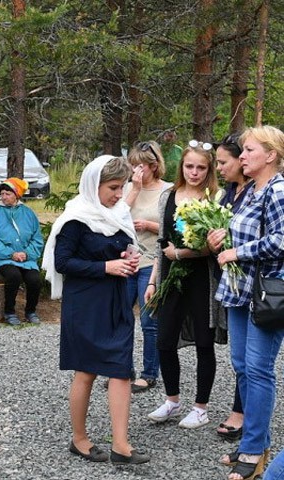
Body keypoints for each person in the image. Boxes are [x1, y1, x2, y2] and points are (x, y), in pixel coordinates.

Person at [42, 155, 148, 465]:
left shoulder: (116, 213)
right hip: (85, 303)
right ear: (94, 185)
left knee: (120, 370)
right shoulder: (76, 218)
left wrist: (128, 258)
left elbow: (125, 245)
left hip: (116, 299)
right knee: (86, 371)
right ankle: (79, 439)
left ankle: (121, 444)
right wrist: (106, 266)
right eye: (113, 188)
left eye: (122, 187)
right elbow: (63, 263)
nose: (118, 194)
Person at [213, 126, 284, 480]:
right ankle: (257, 444)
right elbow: (245, 231)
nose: (241, 156)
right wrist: (222, 237)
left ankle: (254, 450)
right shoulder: (251, 191)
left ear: (271, 155)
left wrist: (238, 250)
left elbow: (282, 240)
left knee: (258, 369)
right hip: (240, 289)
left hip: (266, 293)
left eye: (249, 150)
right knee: (242, 366)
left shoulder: (279, 189)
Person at [144, 140, 226, 430]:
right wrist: (154, 280)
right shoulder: (169, 195)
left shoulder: (215, 197)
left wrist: (183, 253)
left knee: (204, 341)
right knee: (164, 339)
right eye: (189, 166)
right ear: (182, 167)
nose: (194, 172)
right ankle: (172, 399)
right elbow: (161, 242)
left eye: (201, 168)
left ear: (209, 170)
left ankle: (200, 407)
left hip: (202, 278)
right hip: (170, 276)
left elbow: (216, 245)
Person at [207, 132, 249, 442]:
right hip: (233, 283)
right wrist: (211, 241)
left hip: (255, 284)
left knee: (253, 358)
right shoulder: (227, 194)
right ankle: (244, 408)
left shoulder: (261, 191)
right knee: (239, 356)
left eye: (223, 162)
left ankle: (243, 412)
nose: (218, 168)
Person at [124, 141, 173, 393]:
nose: (135, 169)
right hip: (127, 259)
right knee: (121, 318)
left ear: (154, 166)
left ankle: (149, 373)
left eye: (140, 165)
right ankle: (122, 369)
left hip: (152, 262)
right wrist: (134, 188)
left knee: (148, 319)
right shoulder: (128, 188)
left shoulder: (169, 191)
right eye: (133, 164)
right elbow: (116, 215)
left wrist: (151, 226)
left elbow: (176, 227)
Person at [0, 177, 44, 326]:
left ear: (17, 194)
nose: (4, 197)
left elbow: (37, 238)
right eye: (2, 194)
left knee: (34, 279)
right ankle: (9, 312)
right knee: (13, 275)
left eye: (8, 194)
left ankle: (30, 311)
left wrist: (27, 253)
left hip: (26, 258)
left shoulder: (28, 213)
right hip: (3, 258)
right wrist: (11, 254)